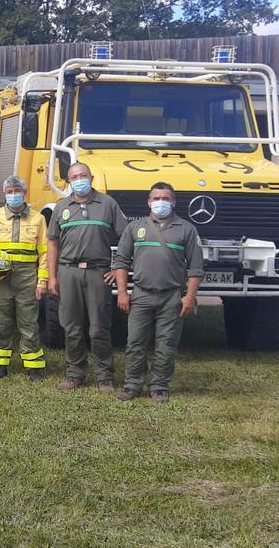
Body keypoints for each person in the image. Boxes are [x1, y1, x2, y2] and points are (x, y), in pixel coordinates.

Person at [114, 182, 203, 403]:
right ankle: (132, 385)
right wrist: (123, 292)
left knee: (166, 344)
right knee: (135, 342)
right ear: (148, 201)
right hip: (141, 294)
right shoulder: (135, 228)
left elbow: (196, 268)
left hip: (171, 296)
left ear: (173, 202)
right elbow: (122, 262)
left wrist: (190, 297)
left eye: (165, 199)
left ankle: (159, 387)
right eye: (156, 198)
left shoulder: (187, 229)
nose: (160, 202)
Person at [46, 162, 129, 392]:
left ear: (91, 178)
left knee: (99, 328)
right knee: (71, 327)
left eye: (83, 175)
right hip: (68, 271)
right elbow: (52, 244)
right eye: (74, 176)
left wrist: (118, 266)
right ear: (68, 181)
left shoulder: (108, 204)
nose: (79, 179)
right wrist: (52, 277)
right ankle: (75, 373)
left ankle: (105, 376)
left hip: (98, 273)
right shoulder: (61, 206)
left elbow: (126, 237)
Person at [0, 176, 49, 381]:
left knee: (29, 323)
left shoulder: (38, 218)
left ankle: (33, 368)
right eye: (9, 191)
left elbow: (45, 253)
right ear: (5, 193)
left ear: (24, 192)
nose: (13, 194)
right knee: (0, 321)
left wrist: (42, 281)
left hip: (27, 276)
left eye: (17, 190)